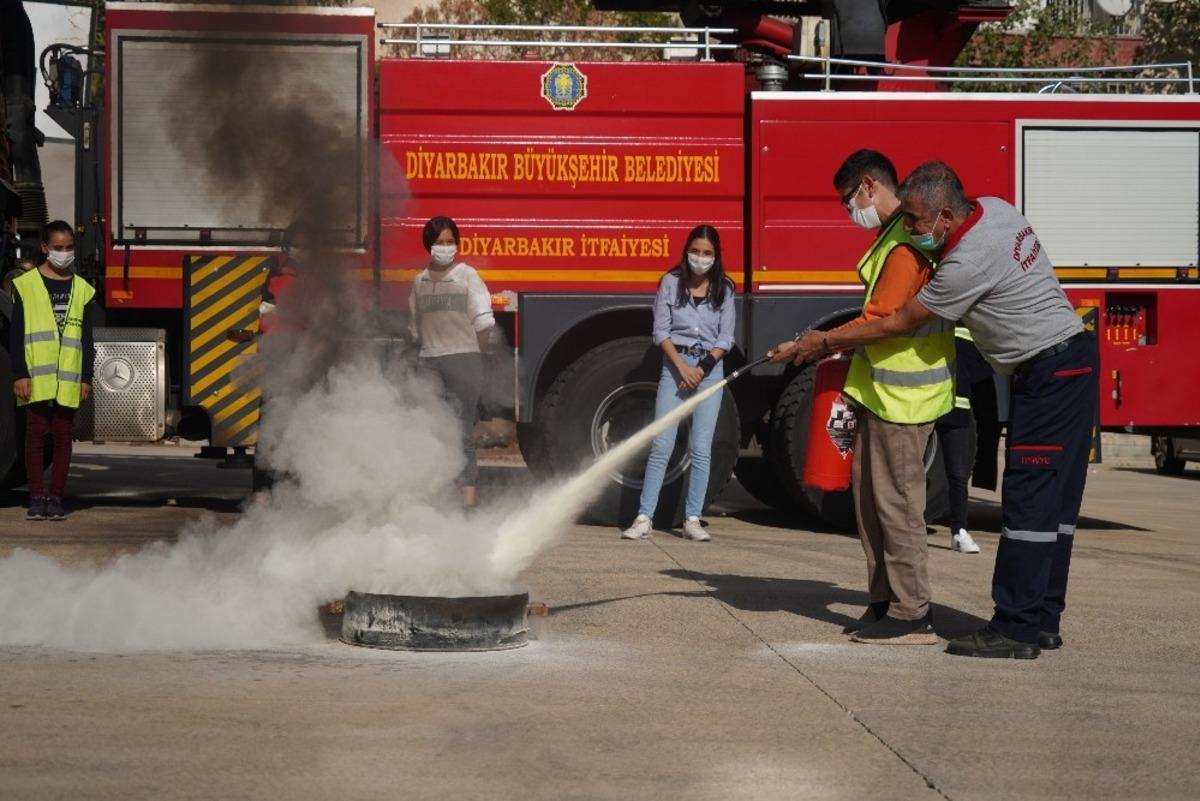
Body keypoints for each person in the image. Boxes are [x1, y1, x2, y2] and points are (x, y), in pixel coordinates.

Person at [782, 162, 1096, 660]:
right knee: (1054, 507)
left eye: (915, 220)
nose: (908, 230)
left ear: (946, 216)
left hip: (1049, 374)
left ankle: (1015, 628)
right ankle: (1043, 621)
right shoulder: (997, 209)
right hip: (1070, 363)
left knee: (1029, 503)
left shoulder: (965, 263)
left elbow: (898, 322)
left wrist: (822, 340)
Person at [773, 151, 955, 645]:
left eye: (848, 200)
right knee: (870, 504)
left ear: (870, 186)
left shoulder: (904, 247)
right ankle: (884, 603)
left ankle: (913, 613)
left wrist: (818, 342)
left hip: (905, 400)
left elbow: (880, 320)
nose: (848, 210)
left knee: (896, 506)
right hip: (879, 394)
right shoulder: (891, 237)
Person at [621, 224, 735, 542]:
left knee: (700, 448)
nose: (701, 258)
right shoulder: (670, 283)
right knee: (662, 443)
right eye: (696, 251)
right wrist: (682, 366)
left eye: (707, 253)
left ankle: (693, 519)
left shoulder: (724, 288)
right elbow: (661, 332)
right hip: (675, 368)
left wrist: (702, 367)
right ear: (687, 252)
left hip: (709, 370)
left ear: (716, 256)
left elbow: (726, 338)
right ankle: (644, 516)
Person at [10, 220, 97, 521]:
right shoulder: (26, 285)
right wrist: (20, 373)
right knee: (35, 436)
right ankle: (36, 497)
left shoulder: (82, 289)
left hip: (69, 378)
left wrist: (86, 377)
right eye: (58, 248)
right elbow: (17, 332)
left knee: (62, 436)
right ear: (45, 248)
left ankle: (56, 497)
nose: (64, 253)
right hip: (35, 375)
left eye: (69, 248)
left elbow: (86, 338)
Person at [408, 216, 494, 508]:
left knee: (460, 433)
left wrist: (473, 358)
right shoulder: (419, 282)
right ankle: (437, 498)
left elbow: (483, 323)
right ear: (428, 246)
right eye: (439, 242)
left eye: (449, 242)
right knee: (432, 430)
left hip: (463, 362)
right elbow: (414, 329)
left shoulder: (467, 275)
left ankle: (467, 501)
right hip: (430, 363)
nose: (445, 247)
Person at [936, 326, 987, 554]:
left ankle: (959, 531)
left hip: (955, 408)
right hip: (924, 407)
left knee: (958, 474)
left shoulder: (969, 325)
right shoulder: (934, 320)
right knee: (911, 472)